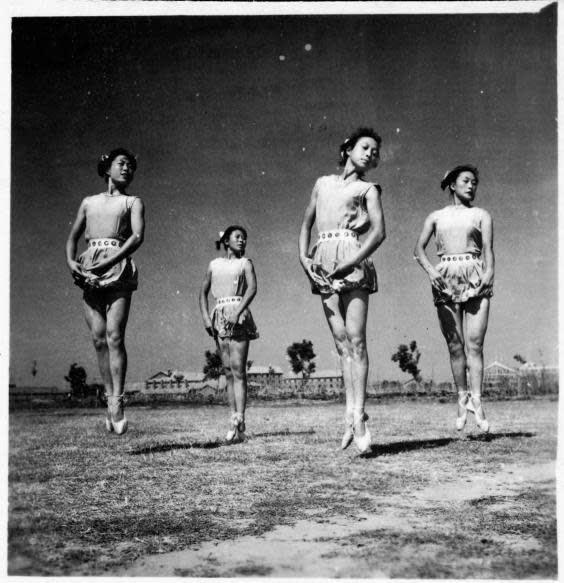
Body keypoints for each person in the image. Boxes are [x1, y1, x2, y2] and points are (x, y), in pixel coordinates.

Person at [299, 128, 386, 454]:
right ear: (348, 148)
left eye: (375, 152)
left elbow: (379, 232)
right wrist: (303, 259)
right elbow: (306, 223)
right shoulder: (322, 184)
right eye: (365, 147)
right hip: (323, 263)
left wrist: (351, 261)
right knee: (342, 345)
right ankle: (350, 415)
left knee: (357, 340)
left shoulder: (368, 189)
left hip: (352, 261)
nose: (370, 154)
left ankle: (360, 417)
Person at [65, 148, 145, 435]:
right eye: (121, 164)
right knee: (98, 338)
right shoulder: (89, 202)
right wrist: (71, 262)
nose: (127, 169)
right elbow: (73, 237)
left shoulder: (132, 202)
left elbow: (137, 236)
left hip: (118, 268)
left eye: (131, 166)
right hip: (89, 269)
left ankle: (117, 402)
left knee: (114, 335)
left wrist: (110, 261)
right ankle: (108, 397)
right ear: (107, 168)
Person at [414, 165, 494, 433]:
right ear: (452, 184)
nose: (471, 186)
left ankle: (478, 402)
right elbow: (418, 249)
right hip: (445, 276)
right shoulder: (436, 217)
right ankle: (462, 400)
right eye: (466, 181)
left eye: (475, 182)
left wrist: (489, 272)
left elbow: (488, 250)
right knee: (455, 345)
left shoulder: (482, 215)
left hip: (475, 274)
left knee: (475, 344)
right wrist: (431, 271)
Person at [199, 226, 258, 443]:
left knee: (239, 370)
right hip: (219, 316)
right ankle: (232, 421)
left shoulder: (246, 263)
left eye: (244, 238)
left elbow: (252, 288)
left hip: (238, 315)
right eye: (237, 237)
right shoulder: (214, 264)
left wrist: (238, 311)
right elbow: (202, 292)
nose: (242, 241)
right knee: (228, 372)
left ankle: (240, 421)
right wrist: (206, 318)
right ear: (226, 241)